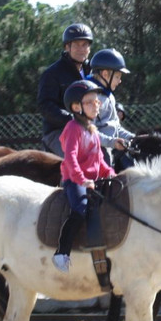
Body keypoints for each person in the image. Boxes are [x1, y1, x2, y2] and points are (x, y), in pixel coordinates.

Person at [53, 79, 116, 273]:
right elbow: (70, 158)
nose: (96, 105)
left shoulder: (92, 130)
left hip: (93, 181)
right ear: (76, 107)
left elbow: (99, 160)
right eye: (89, 102)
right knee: (80, 209)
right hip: (75, 180)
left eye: (97, 101)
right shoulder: (73, 128)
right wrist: (82, 180)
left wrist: (112, 174)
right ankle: (62, 252)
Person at [37, 23, 93, 157]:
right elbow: (45, 105)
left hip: (89, 129)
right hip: (59, 131)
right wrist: (73, 119)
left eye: (85, 45)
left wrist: (119, 109)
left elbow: (103, 95)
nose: (81, 49)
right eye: (77, 45)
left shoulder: (93, 70)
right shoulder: (52, 73)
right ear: (67, 47)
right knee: (79, 158)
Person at [86, 47, 136, 167]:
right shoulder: (90, 97)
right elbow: (88, 132)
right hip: (95, 152)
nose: (120, 81)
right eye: (118, 76)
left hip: (110, 147)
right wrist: (112, 142)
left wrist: (134, 138)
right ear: (105, 74)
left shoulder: (108, 96)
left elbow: (115, 128)